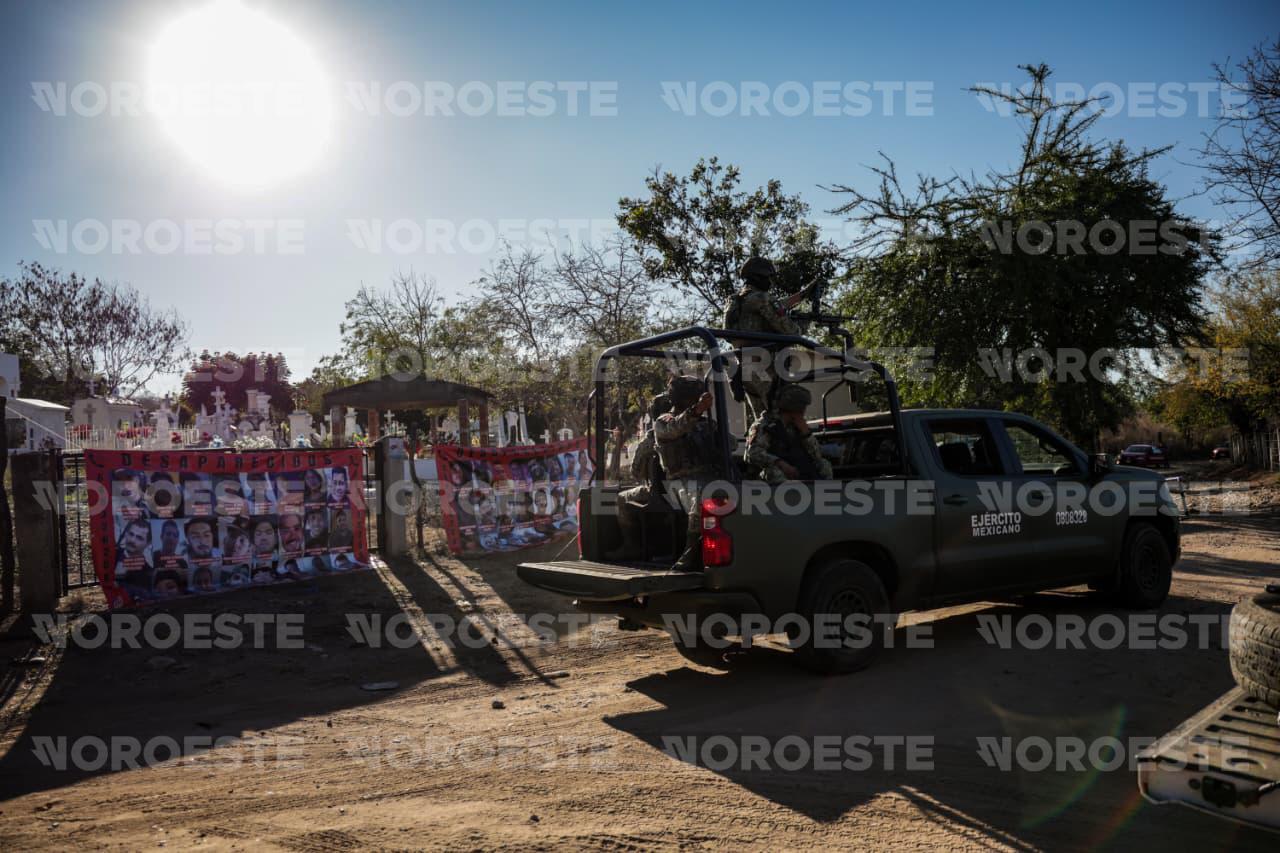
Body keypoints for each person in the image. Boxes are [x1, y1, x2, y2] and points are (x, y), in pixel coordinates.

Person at [654, 375, 722, 571]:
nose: (696, 401)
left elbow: (730, 443)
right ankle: (690, 553)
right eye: (693, 398)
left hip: (709, 475)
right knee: (703, 495)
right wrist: (697, 410)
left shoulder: (706, 423)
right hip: (678, 481)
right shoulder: (664, 421)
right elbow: (676, 428)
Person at [723, 256, 803, 420]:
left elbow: (775, 305)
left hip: (744, 368)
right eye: (768, 277)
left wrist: (800, 296)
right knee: (784, 419)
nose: (771, 282)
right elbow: (792, 332)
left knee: (762, 421)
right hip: (764, 368)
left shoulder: (736, 300)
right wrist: (802, 323)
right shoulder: (761, 298)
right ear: (758, 277)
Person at [606, 393, 673, 561]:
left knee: (621, 498)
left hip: (659, 494)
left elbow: (635, 471)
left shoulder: (650, 439)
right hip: (691, 490)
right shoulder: (695, 427)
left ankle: (632, 547)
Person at [745, 384, 833, 484]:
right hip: (776, 474)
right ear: (795, 407)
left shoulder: (798, 425)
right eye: (803, 407)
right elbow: (752, 454)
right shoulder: (765, 425)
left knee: (824, 465)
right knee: (774, 472)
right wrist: (779, 463)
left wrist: (806, 434)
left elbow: (817, 456)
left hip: (798, 469)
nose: (804, 410)